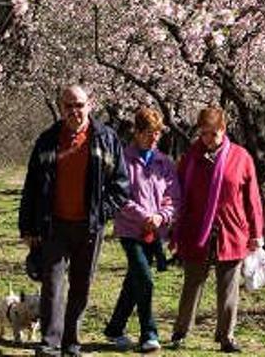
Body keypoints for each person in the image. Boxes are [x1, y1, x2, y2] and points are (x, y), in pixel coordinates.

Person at [18, 85, 130, 357]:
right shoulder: (47, 140)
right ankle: (50, 342)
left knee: (81, 284)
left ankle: (72, 342)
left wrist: (103, 211)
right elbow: (32, 185)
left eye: (79, 105)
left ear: (90, 105)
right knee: (52, 283)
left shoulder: (106, 138)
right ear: (60, 108)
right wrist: (28, 227)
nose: (74, 111)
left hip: (90, 227)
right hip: (54, 224)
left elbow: (122, 184)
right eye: (68, 105)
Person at [171, 107, 264, 353]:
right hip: (197, 230)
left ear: (224, 129)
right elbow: (178, 193)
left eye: (213, 133)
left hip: (232, 230)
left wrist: (257, 232)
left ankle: (226, 336)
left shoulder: (241, 156)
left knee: (229, 287)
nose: (208, 139)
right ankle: (181, 331)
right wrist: (175, 227)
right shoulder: (191, 157)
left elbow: (252, 198)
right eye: (203, 134)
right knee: (192, 283)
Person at [103, 106, 180, 353]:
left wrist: (161, 216)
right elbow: (120, 196)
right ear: (136, 132)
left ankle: (115, 328)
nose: (154, 137)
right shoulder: (123, 160)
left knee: (135, 280)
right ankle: (149, 333)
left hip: (155, 231)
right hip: (130, 231)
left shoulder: (164, 162)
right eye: (148, 132)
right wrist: (144, 215)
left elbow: (173, 196)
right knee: (144, 280)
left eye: (157, 132)